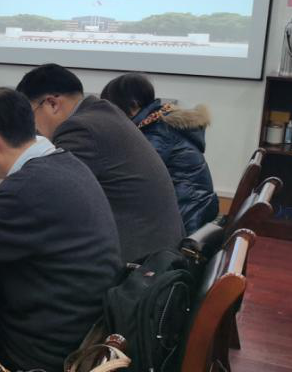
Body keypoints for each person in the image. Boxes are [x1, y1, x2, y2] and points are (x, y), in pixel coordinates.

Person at [0, 87, 121, 372]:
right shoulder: (63, 163)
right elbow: (3, 227)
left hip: (37, 357)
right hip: (76, 330)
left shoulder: (25, 188)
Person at [17, 64, 184, 263]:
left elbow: (49, 197)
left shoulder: (80, 128)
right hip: (158, 250)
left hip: (138, 263)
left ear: (52, 103)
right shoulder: (102, 115)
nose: (34, 127)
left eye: (31, 115)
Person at [100, 72, 219, 233]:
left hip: (185, 220)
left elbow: (131, 177)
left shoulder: (158, 133)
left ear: (133, 105)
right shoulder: (159, 123)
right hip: (194, 210)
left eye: (114, 108)